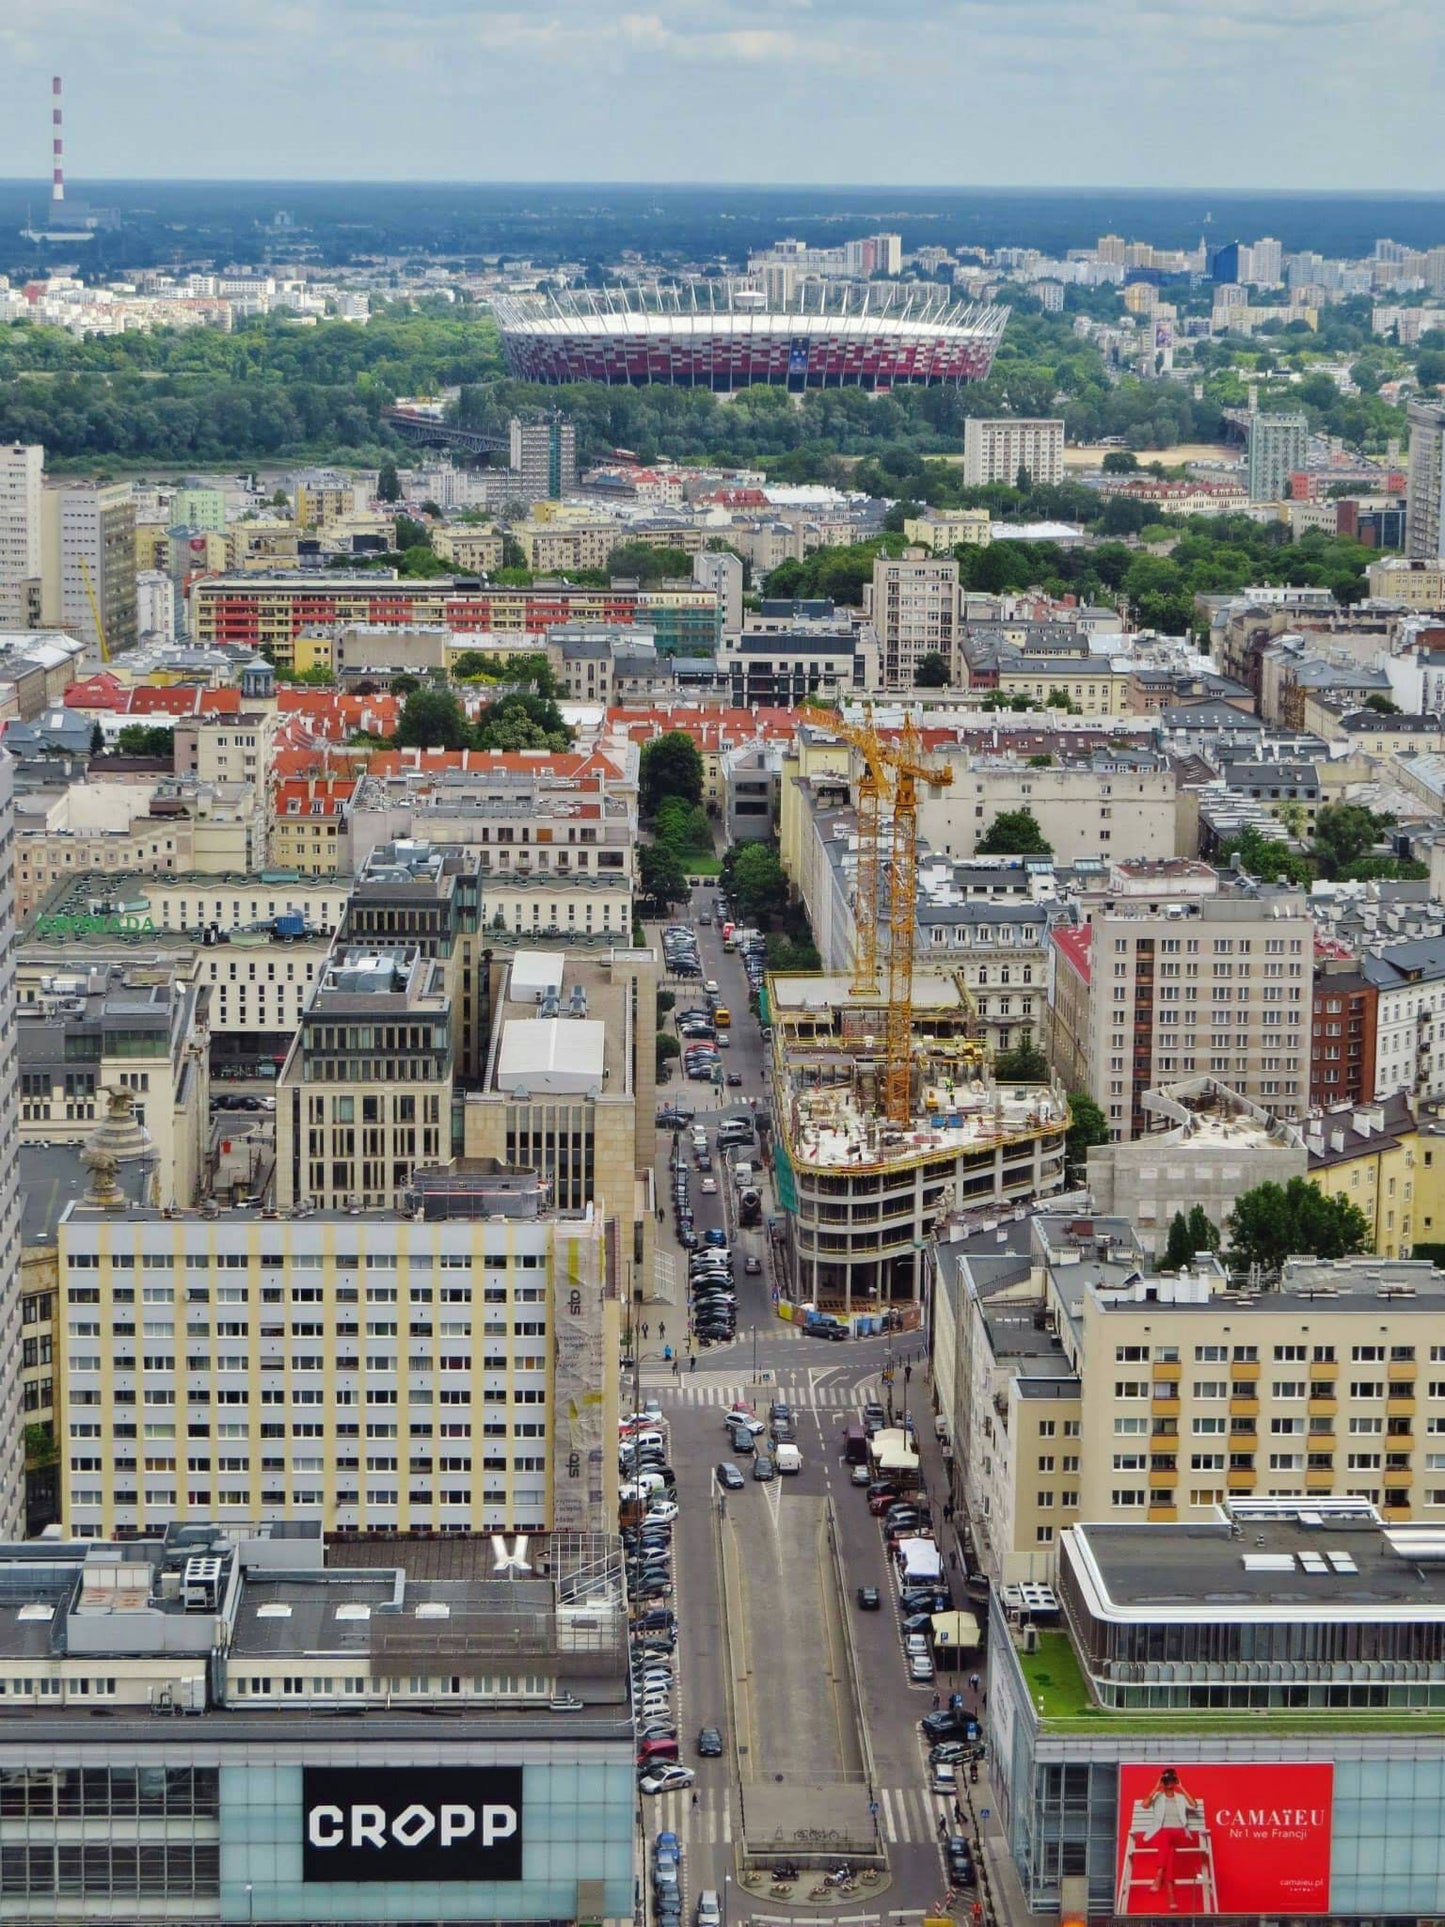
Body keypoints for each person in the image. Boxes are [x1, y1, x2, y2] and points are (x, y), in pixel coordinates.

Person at [1132, 1767, 1205, 1910]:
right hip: (1163, 1836)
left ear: (1175, 1781)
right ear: (1163, 1781)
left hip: (1180, 1834)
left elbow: (1194, 1805)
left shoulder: (1180, 1797)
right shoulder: (1158, 1796)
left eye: (1171, 1779)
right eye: (1166, 1780)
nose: (1169, 1782)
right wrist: (1156, 1787)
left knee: (1167, 1838)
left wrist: (1182, 1788)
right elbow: (1144, 1805)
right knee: (1169, 1850)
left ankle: (1159, 1876)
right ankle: (1171, 1894)